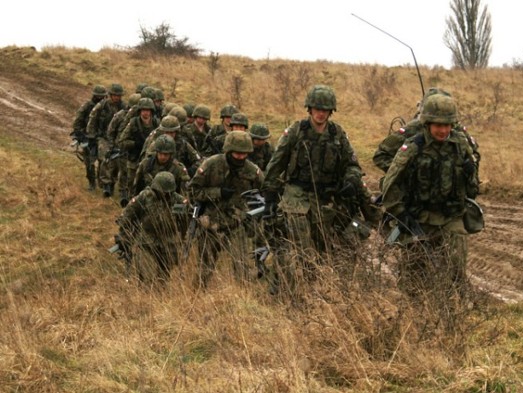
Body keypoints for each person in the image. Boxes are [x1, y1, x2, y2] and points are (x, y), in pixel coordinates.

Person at [261, 84, 363, 297]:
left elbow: (352, 164)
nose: (320, 113)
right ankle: (292, 293)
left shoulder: (338, 134)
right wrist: (270, 196)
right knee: (302, 249)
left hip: (324, 200)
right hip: (296, 197)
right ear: (309, 109)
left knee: (321, 250)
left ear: (331, 111)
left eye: (325, 109)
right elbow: (276, 163)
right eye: (317, 108)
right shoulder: (296, 131)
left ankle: (309, 291)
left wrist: (352, 180)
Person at [381, 93, 480, 297]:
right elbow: (390, 185)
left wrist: (471, 172)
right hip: (418, 217)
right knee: (413, 278)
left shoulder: (460, 146)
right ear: (427, 124)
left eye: (447, 125)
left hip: (450, 217)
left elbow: (472, 191)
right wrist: (400, 213)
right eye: (438, 125)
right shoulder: (413, 147)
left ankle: (452, 311)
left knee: (455, 269)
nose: (443, 130)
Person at [188, 131, 264, 287]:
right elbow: (193, 191)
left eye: (244, 154)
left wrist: (252, 214)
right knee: (205, 269)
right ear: (228, 151)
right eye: (237, 153)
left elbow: (263, 196)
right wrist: (218, 193)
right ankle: (196, 300)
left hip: (237, 225)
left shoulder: (252, 171)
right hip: (211, 224)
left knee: (242, 269)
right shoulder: (211, 164)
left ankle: (243, 303)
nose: (241, 157)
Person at [115, 171, 189, 284]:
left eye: (168, 192)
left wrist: (184, 238)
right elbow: (126, 217)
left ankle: (159, 296)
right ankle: (145, 294)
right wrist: (123, 238)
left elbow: (187, 218)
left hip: (169, 243)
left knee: (163, 278)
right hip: (147, 242)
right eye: (162, 192)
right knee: (146, 276)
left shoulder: (177, 200)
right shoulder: (144, 197)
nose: (165, 195)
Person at [117, 97, 161, 200]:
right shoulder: (133, 123)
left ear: (151, 111)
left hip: (150, 159)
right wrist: (135, 144)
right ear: (140, 111)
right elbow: (122, 141)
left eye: (148, 110)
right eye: (143, 110)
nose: (145, 113)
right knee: (132, 184)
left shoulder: (156, 123)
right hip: (134, 158)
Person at [87, 83, 126, 197]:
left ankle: (111, 183)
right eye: (114, 95)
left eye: (119, 95)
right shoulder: (102, 105)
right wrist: (91, 135)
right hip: (103, 137)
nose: (117, 97)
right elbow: (92, 119)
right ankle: (105, 184)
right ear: (110, 95)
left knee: (116, 162)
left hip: (117, 138)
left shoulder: (123, 107)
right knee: (104, 159)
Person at [71, 84, 107, 191]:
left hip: (101, 137)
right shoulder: (87, 106)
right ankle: (92, 182)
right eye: (98, 96)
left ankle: (102, 182)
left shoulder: (107, 107)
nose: (100, 98)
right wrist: (80, 134)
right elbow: (77, 121)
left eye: (102, 96)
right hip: (87, 137)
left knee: (103, 161)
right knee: (89, 162)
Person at [107, 93, 141, 207]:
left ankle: (127, 194)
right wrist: (112, 146)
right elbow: (111, 131)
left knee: (129, 172)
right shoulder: (121, 115)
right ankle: (118, 190)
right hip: (120, 147)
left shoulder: (140, 120)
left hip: (133, 149)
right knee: (119, 170)